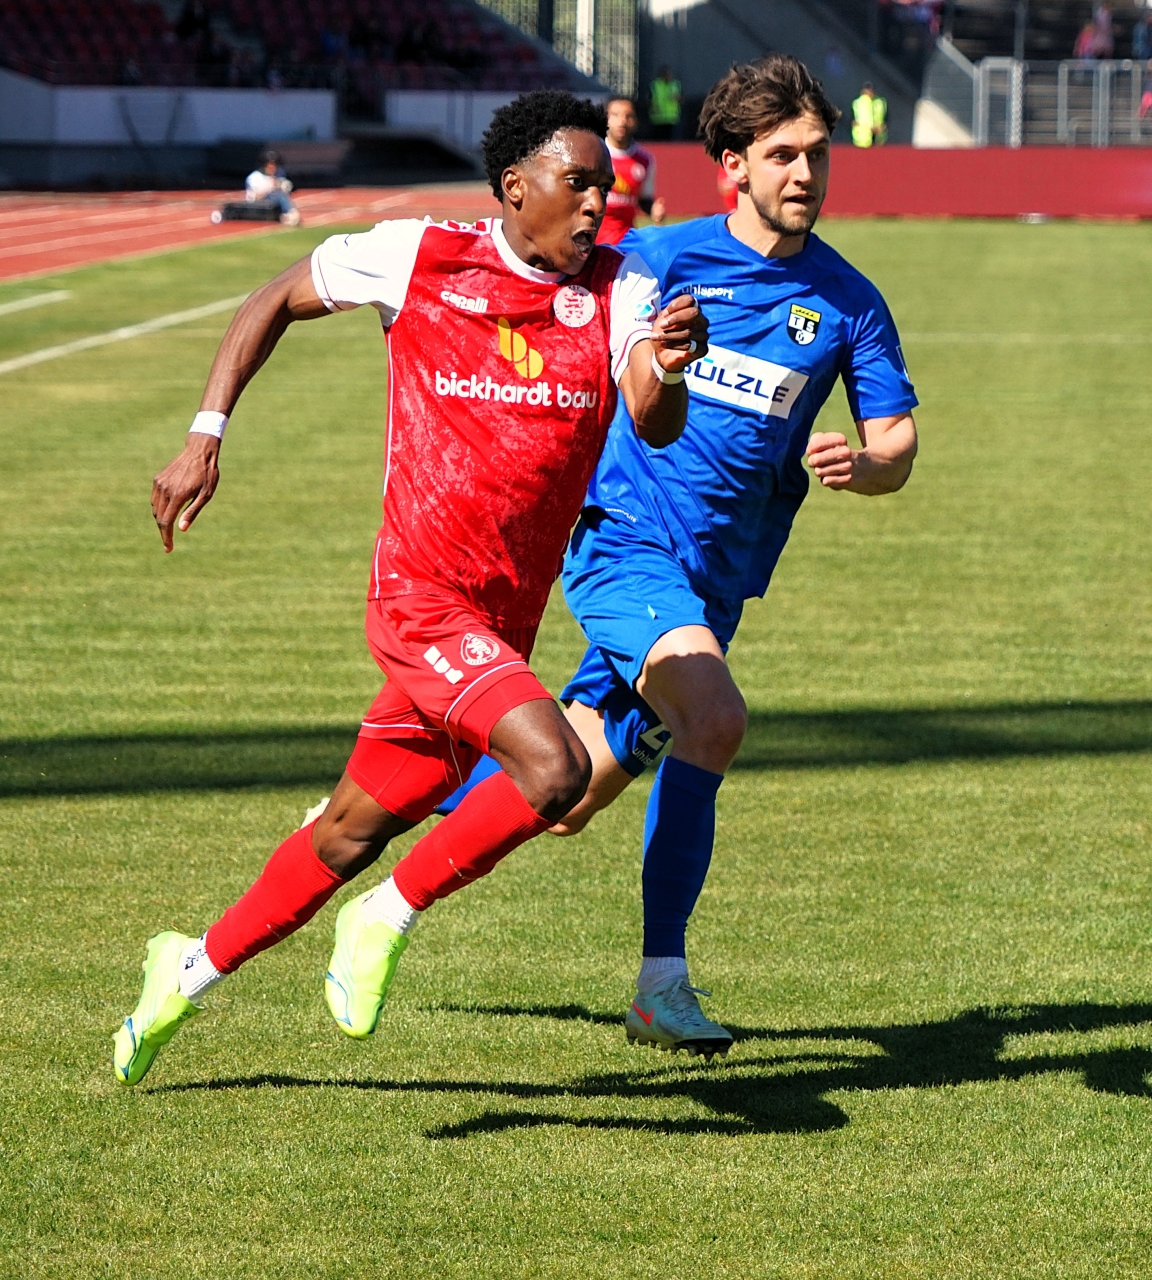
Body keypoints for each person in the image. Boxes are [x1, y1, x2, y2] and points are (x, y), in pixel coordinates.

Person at [109, 91, 710, 1086]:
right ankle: (387, 914)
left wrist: (672, 364)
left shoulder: (622, 279)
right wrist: (204, 435)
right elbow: (271, 298)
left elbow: (652, 417)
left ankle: (181, 971)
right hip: (421, 601)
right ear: (516, 188)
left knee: (347, 829)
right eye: (580, 181)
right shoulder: (421, 254)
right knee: (555, 773)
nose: (601, 200)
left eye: (605, 182)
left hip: (499, 625)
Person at [435, 54, 918, 1056]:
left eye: (817, 155)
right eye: (781, 155)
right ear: (730, 166)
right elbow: (562, 342)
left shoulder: (850, 301)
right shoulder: (655, 261)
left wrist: (866, 464)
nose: (804, 175)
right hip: (625, 544)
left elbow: (899, 445)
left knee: (562, 795)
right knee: (717, 718)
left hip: (715, 583)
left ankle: (397, 797)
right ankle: (662, 983)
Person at [601, 96, 665, 245]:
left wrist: (654, 210)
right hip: (594, 243)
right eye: (615, 115)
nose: (622, 121)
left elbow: (643, 199)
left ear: (635, 121)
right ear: (606, 119)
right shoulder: (594, 153)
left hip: (626, 243)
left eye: (628, 116)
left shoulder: (644, 160)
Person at [244, 152, 300, 227]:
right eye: (270, 164)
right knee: (278, 195)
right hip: (257, 205)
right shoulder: (254, 177)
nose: (273, 167)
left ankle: (289, 213)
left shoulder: (278, 174)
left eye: (275, 165)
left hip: (272, 203)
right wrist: (271, 187)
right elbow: (256, 196)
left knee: (281, 194)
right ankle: (290, 213)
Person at [649, 66, 683, 140]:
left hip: (671, 118)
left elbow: (681, 98)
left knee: (669, 141)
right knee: (658, 140)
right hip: (658, 118)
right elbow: (650, 99)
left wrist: (677, 98)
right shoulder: (655, 85)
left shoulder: (674, 84)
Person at [852, 82, 888, 147]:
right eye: (868, 90)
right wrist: (869, 128)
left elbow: (885, 118)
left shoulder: (880, 102)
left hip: (878, 139)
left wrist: (881, 127)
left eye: (871, 91)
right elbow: (853, 121)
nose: (870, 93)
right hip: (862, 140)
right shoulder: (857, 103)